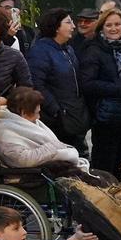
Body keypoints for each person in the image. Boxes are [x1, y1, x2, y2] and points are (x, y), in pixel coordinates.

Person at [78, 5, 121, 180]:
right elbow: (87, 83)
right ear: (102, 27)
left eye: (117, 24)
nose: (113, 28)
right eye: (109, 25)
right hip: (106, 119)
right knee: (105, 167)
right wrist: (117, 88)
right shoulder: (93, 49)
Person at [27, 8, 90, 154]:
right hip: (56, 120)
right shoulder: (40, 52)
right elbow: (37, 84)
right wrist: (56, 110)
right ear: (55, 27)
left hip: (74, 115)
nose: (73, 26)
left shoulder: (68, 50)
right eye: (68, 22)